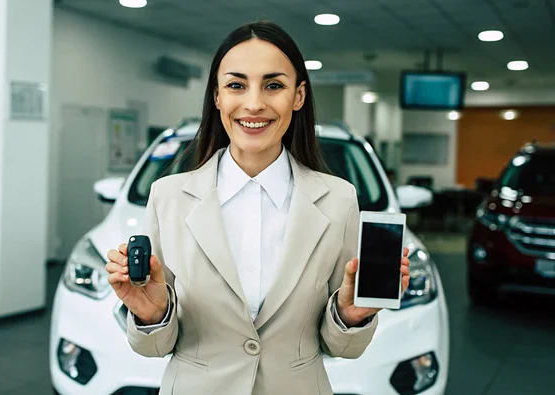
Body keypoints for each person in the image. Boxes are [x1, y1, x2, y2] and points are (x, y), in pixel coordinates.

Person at [105, 21, 410, 395]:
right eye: (236, 85)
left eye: (274, 85)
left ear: (298, 96)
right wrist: (151, 315)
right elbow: (154, 346)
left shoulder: (339, 198)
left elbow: (340, 346)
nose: (253, 103)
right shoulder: (167, 196)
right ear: (216, 96)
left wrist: (351, 314)